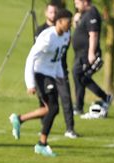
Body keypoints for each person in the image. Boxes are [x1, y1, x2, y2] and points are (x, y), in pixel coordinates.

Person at [9, 8, 72, 157]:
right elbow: (30, 58)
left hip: (51, 75)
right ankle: (41, 144)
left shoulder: (66, 35)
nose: (70, 26)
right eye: (68, 22)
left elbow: (57, 60)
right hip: (40, 74)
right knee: (54, 108)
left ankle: (19, 119)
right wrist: (30, 83)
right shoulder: (47, 37)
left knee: (49, 109)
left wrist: (60, 76)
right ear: (59, 22)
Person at [36, 1, 77, 138]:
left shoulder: (65, 32)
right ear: (46, 13)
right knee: (50, 104)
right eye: (51, 12)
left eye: (55, 12)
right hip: (45, 73)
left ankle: (70, 128)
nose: (52, 14)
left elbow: (64, 49)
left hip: (60, 70)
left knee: (65, 98)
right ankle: (43, 130)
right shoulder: (43, 31)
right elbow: (34, 55)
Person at [71, 0, 113, 116]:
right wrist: (76, 20)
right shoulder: (84, 14)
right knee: (80, 76)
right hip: (80, 53)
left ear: (85, 2)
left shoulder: (92, 14)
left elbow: (93, 34)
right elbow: (79, 29)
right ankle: (79, 106)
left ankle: (103, 97)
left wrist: (91, 53)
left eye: (77, 1)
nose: (75, 3)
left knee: (80, 75)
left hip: (86, 53)